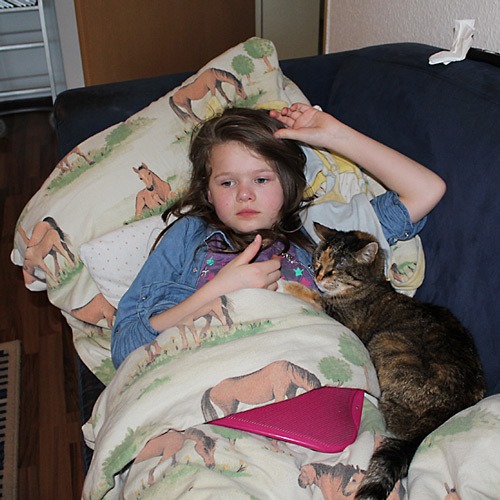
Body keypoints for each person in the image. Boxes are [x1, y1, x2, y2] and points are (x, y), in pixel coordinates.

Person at [111, 105, 445, 368]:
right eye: (227, 182)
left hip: (309, 378)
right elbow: (126, 349)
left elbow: (426, 190)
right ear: (208, 192)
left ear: (288, 183)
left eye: (261, 180)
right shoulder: (189, 236)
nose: (244, 194)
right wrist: (217, 293)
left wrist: (337, 136)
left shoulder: (319, 232)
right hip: (209, 383)